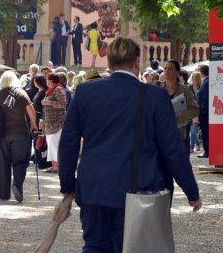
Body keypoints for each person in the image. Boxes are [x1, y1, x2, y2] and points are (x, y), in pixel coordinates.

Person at [59, 37, 201, 252]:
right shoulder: (155, 96)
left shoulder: (86, 92)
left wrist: (68, 184)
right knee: (134, 247)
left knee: (95, 246)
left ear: (109, 63)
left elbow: (68, 142)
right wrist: (191, 190)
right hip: (137, 187)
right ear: (137, 61)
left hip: (93, 187)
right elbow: (172, 148)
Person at [0, 70, 38, 203]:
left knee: (2, 164)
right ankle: (17, 184)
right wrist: (33, 125)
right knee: (20, 162)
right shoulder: (22, 93)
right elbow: (31, 111)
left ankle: (3, 193)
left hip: (2, 135)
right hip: (21, 134)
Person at [163, 59, 199, 153]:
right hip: (161, 134)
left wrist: (177, 117)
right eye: (165, 68)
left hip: (180, 134)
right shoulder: (157, 89)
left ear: (177, 72)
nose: (166, 71)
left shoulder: (185, 90)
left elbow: (195, 110)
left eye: (170, 69)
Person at [41, 73, 67, 174]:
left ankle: (58, 167)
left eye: (48, 81)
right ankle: (54, 166)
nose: (47, 82)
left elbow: (63, 104)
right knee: (51, 145)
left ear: (53, 82)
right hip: (49, 122)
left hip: (56, 123)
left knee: (55, 145)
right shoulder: (50, 90)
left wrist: (48, 103)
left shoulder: (58, 89)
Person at [196, 64, 210, 158]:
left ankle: (206, 151)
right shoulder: (206, 81)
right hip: (205, 112)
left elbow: (205, 98)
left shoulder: (206, 82)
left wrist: (202, 110)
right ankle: (207, 151)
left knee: (205, 132)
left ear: (201, 72)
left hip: (205, 113)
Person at [189, 71, 203, 153]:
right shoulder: (190, 86)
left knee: (194, 129)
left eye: (193, 77)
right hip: (192, 109)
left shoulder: (201, 86)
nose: (192, 78)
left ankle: (191, 147)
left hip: (198, 110)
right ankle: (195, 145)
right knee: (193, 129)